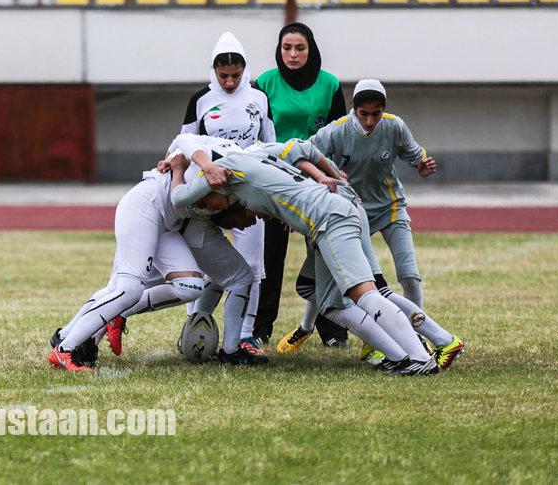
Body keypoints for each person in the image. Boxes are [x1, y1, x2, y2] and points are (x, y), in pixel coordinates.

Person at [171, 140, 440, 375]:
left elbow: (179, 198)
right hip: (328, 217)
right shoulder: (254, 157)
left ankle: (419, 357)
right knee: (331, 305)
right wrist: (329, 174)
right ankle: (399, 357)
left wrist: (179, 170)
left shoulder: (226, 171)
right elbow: (302, 149)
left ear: (214, 182)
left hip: (329, 219)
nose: (206, 208)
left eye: (206, 203)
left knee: (364, 293)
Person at [49, 153, 254, 371]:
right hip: (145, 207)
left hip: (169, 224)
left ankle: (65, 335)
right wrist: (181, 164)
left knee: (191, 287)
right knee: (128, 290)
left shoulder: (236, 163)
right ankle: (64, 350)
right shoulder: (216, 151)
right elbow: (183, 142)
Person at [175, 32, 275, 361]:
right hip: (209, 195)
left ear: (244, 70)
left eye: (235, 75)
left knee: (252, 264)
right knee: (204, 265)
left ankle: (245, 334)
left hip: (247, 194)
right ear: (214, 72)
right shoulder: (201, 100)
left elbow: (270, 144)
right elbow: (183, 143)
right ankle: (195, 324)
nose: (229, 82)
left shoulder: (258, 98)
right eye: (223, 76)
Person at [254, 22, 349, 348]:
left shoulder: (330, 84)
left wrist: (332, 177)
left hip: (318, 180)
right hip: (272, 179)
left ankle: (334, 329)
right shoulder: (264, 83)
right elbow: (255, 137)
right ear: (279, 51)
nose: (293, 55)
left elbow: (339, 137)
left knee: (325, 254)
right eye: (286, 48)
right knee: (269, 257)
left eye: (300, 48)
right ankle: (260, 327)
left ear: (312, 50)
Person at [308, 79, 436, 308]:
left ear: (383, 110)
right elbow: (306, 154)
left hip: (390, 206)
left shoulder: (394, 126)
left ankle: (418, 333)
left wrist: (422, 166)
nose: (370, 121)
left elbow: (416, 155)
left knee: (409, 274)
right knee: (340, 275)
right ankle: (305, 326)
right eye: (363, 114)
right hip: (351, 210)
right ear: (354, 109)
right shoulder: (337, 130)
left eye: (376, 114)